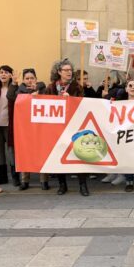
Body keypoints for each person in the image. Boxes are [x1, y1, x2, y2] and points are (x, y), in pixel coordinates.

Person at [44, 59, 90, 196]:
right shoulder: (51, 87)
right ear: (59, 72)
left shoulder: (77, 87)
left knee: (80, 154)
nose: (69, 72)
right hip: (57, 127)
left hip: (74, 126)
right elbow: (45, 103)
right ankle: (62, 184)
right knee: (59, 155)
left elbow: (83, 104)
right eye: (66, 70)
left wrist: (71, 99)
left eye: (70, 70)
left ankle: (83, 185)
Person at [7, 68, 47, 190]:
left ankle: (44, 180)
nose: (30, 81)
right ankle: (25, 181)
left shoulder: (42, 89)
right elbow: (10, 97)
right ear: (23, 80)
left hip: (40, 126)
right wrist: (13, 83)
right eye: (27, 78)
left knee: (42, 152)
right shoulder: (19, 90)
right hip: (24, 127)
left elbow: (49, 100)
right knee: (24, 152)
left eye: (32, 78)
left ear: (36, 79)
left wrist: (38, 94)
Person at [0, 65, 17, 187]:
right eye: (1, 72)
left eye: (6, 72)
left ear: (11, 75)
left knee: (12, 151)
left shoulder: (15, 88)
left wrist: (15, 83)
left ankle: (15, 177)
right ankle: (2, 176)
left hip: (10, 125)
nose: (3, 74)